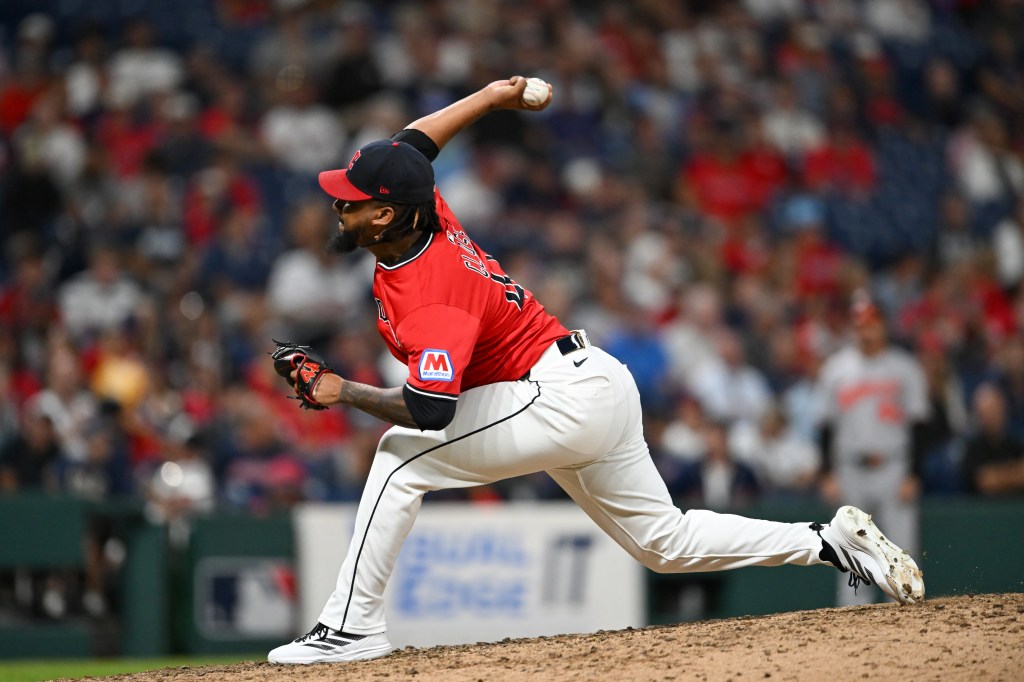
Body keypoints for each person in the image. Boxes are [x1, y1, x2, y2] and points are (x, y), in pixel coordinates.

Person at [266, 77, 924, 665]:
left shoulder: (432, 292)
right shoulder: (424, 209)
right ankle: (831, 542)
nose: (337, 207)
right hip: (587, 379)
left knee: (399, 457)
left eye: (348, 201)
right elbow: (413, 145)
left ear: (383, 214)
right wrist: (494, 97)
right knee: (663, 543)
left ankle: (350, 629)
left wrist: (341, 391)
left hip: (555, 398)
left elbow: (433, 411)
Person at [816, 291, 929, 606]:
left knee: (901, 548)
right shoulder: (836, 369)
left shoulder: (905, 368)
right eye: (859, 324)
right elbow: (825, 427)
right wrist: (827, 473)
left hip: (894, 467)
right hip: (849, 468)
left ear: (883, 325)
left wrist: (914, 473)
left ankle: (905, 616)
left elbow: (919, 425)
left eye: (871, 323)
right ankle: (854, 623)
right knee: (850, 548)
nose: (865, 330)